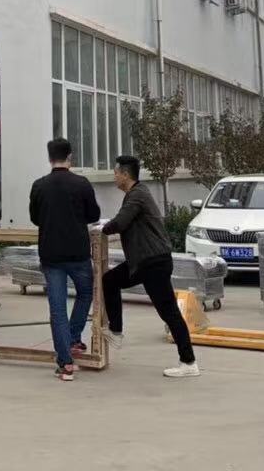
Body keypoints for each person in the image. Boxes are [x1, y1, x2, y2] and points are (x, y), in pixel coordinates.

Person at [99, 155, 198, 379]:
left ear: (125, 175)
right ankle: (116, 331)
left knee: (169, 312)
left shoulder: (137, 195)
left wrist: (100, 228)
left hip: (153, 262)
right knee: (110, 280)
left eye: (116, 173)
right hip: (144, 262)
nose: (114, 177)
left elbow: (120, 222)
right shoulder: (136, 194)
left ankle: (188, 362)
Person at [29, 137, 100, 381]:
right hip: (78, 253)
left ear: (49, 158)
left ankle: (66, 364)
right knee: (86, 293)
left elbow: (35, 218)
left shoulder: (39, 186)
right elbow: (94, 214)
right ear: (70, 156)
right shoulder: (81, 184)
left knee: (57, 309)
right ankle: (73, 338)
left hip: (51, 255)